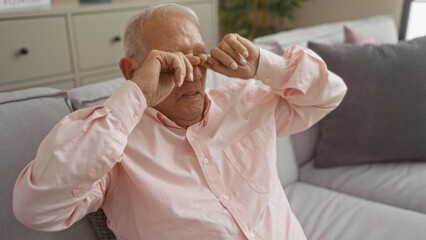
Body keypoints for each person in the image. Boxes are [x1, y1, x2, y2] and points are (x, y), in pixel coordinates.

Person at [13, 3, 347, 240]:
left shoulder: (245, 102)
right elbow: (36, 207)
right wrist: (135, 95)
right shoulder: (113, 144)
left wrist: (264, 65)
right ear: (131, 70)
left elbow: (330, 93)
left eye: (197, 55)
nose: (191, 73)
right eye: (171, 62)